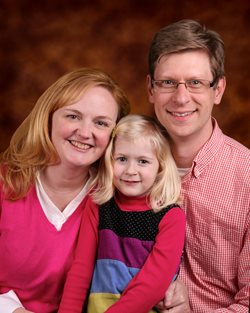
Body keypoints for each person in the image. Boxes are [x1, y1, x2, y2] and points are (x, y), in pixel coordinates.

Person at [0, 67, 130, 313]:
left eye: (101, 123)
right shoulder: (4, 183)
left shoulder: (115, 201)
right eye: (73, 116)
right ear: (48, 117)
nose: (84, 132)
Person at [147, 19, 250, 312]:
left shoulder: (248, 179)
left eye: (195, 83)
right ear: (150, 89)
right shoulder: (123, 167)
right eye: (168, 82)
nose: (181, 98)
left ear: (218, 90)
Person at [58, 114, 186, 313]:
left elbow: (153, 284)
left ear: (160, 167)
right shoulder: (99, 204)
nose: (130, 170)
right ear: (110, 160)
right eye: (122, 159)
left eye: (143, 161)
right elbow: (81, 269)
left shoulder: (170, 216)